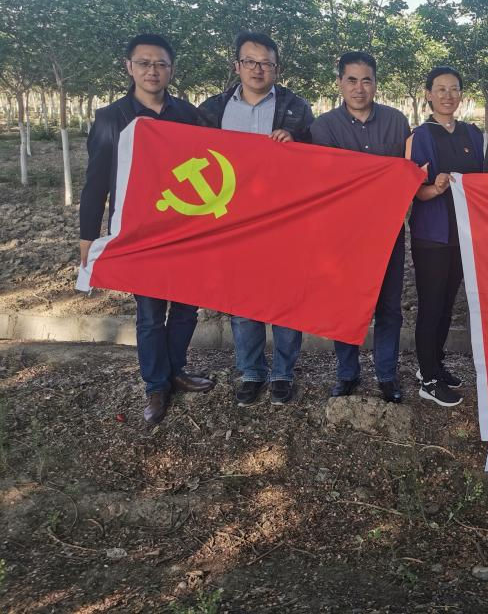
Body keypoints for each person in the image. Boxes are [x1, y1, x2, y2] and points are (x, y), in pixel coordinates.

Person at [79, 33, 215, 425]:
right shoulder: (111, 118)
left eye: (160, 64)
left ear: (171, 69)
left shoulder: (187, 114)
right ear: (129, 67)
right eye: (144, 63)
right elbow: (96, 183)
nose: (152, 71)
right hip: (139, 233)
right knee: (151, 313)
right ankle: (156, 385)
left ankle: (176, 370)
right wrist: (88, 238)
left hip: (185, 229)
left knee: (187, 308)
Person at [197, 31, 314, 407]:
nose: (257, 69)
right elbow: (195, 157)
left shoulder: (296, 108)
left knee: (286, 297)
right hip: (233, 220)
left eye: (266, 63)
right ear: (237, 66)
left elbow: (316, 158)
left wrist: (295, 142)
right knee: (243, 299)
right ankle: (251, 371)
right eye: (250, 61)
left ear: (276, 69)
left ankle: (283, 372)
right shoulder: (212, 110)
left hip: (283, 218)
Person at [309, 51, 410, 403]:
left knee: (389, 308)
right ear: (339, 83)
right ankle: (347, 373)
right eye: (351, 80)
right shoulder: (323, 127)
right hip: (344, 235)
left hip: (387, 231)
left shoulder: (397, 122)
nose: (359, 88)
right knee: (345, 305)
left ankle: (386, 375)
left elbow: (407, 171)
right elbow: (325, 181)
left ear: (376, 84)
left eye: (366, 80)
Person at [406, 67, 484, 407]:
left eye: (454, 89)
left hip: (462, 233)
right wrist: (434, 188)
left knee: (447, 304)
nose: (448, 95)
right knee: (431, 305)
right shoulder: (420, 136)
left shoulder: (473, 135)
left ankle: (433, 364)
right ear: (428, 94)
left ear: (461, 95)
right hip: (432, 235)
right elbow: (414, 192)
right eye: (440, 89)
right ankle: (428, 380)